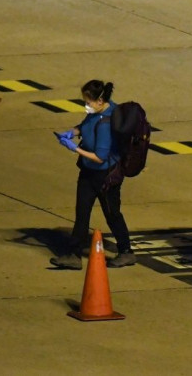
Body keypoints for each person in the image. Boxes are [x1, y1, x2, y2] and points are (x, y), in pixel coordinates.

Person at [50, 80, 136, 270]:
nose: (86, 105)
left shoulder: (106, 122)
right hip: (88, 172)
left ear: (100, 101)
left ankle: (126, 252)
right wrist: (72, 132)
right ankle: (74, 255)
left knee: (112, 214)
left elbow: (100, 157)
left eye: (88, 102)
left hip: (105, 176)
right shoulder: (97, 112)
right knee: (82, 212)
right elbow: (85, 125)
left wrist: (75, 149)